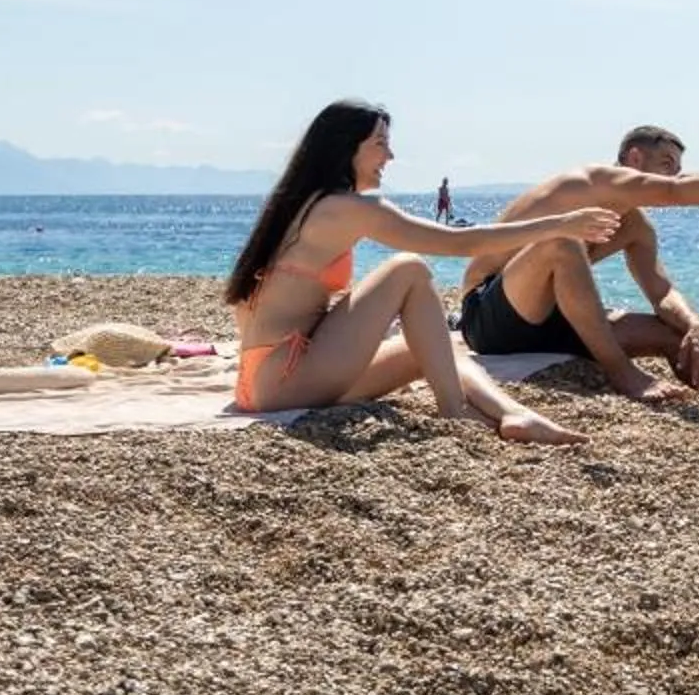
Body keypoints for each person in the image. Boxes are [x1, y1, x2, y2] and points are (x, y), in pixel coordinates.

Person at [223, 100, 623, 444]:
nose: (390, 157)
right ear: (345, 148)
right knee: (409, 269)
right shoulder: (348, 209)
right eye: (380, 144)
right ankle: (454, 411)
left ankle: (514, 414)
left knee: (434, 347)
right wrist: (558, 224)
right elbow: (460, 243)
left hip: (261, 380)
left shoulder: (297, 205)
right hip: (286, 381)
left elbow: (250, 306)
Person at [457, 126, 699, 415]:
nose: (674, 176)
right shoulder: (588, 182)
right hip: (490, 318)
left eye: (678, 167)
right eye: (666, 165)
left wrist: (694, 322)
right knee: (562, 241)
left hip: (553, 323)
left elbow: (660, 291)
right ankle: (621, 372)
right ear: (634, 159)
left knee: (671, 330)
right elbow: (675, 192)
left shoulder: (634, 226)